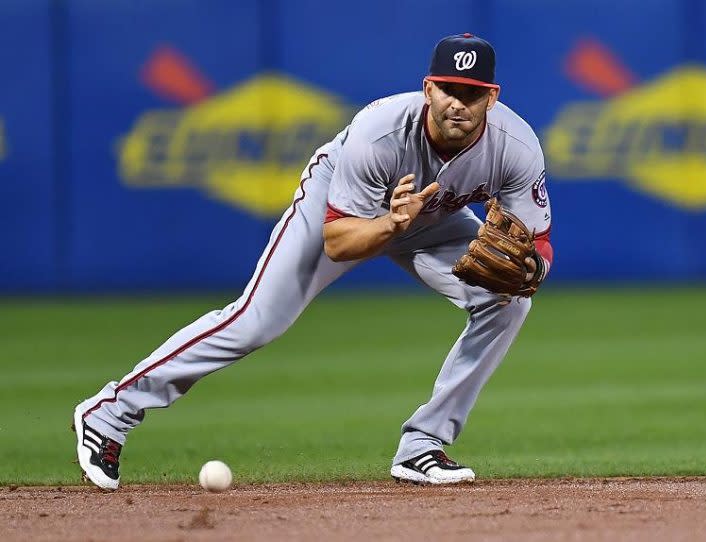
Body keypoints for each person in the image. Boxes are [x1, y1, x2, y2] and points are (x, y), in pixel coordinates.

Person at [73, 33, 553, 489]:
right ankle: (110, 413)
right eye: (448, 88)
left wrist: (533, 269)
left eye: (471, 94)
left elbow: (539, 243)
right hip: (342, 208)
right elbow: (338, 243)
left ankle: (422, 443)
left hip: (430, 219)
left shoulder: (516, 146)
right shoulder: (380, 132)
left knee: (508, 302)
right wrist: (389, 225)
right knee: (255, 321)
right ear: (428, 89)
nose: (457, 102)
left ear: (491, 98)